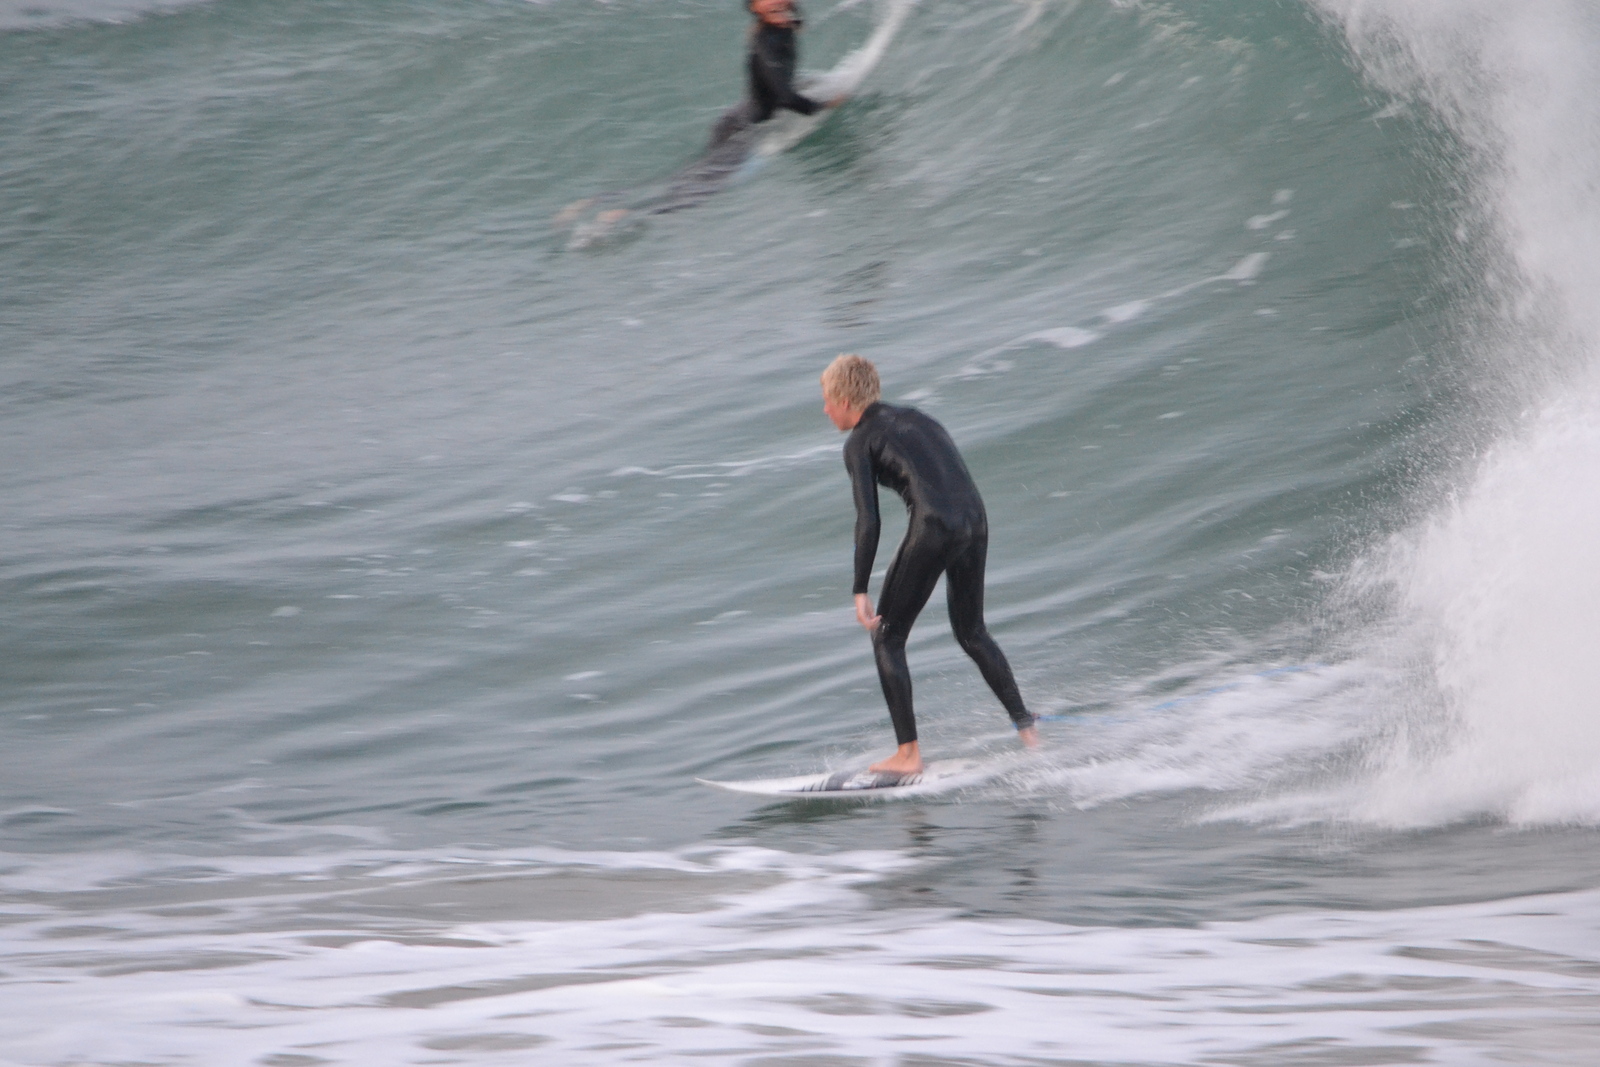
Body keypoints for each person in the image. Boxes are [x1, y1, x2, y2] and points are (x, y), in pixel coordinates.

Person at [821, 354, 1039, 776]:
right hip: (975, 519)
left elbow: (868, 519)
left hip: (935, 524)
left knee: (887, 636)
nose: (825, 409)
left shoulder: (859, 442)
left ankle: (908, 755)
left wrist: (860, 589)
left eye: (828, 400)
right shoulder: (918, 418)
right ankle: (1029, 732)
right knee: (972, 632)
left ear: (846, 399)